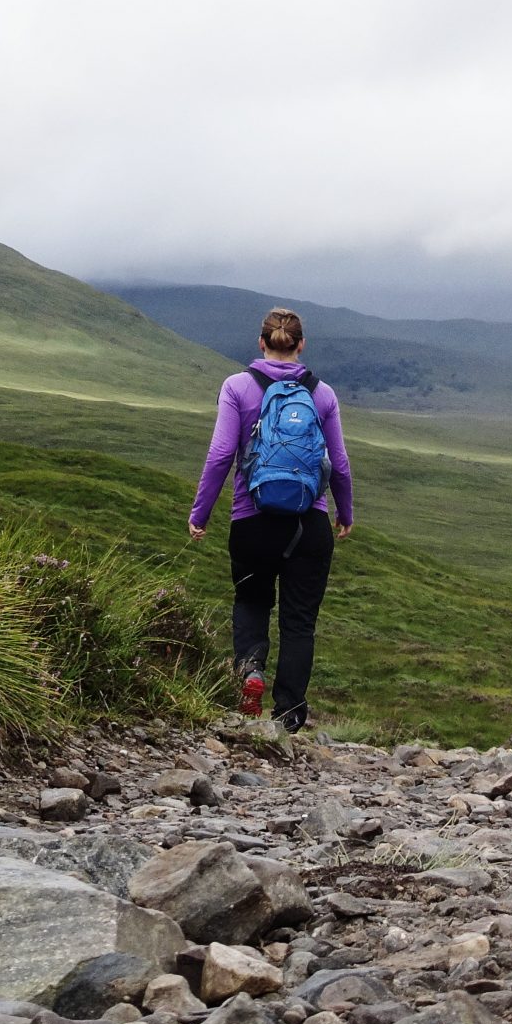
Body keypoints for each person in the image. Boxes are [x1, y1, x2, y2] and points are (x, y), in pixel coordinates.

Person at [188, 307, 354, 732]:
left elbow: (222, 454)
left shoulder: (237, 387)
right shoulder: (322, 394)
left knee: (251, 602)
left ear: (261, 342)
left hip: (251, 521)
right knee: (299, 621)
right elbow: (339, 463)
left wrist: (200, 513)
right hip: (308, 526)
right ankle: (289, 715)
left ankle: (250, 673)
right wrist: (345, 513)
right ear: (300, 345)